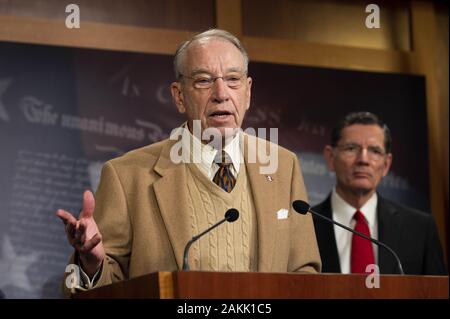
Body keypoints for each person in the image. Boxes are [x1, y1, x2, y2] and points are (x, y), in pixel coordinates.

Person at [57, 29, 321, 294]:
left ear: (248, 92)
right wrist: (92, 264)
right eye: (204, 81)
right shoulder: (127, 176)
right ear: (179, 96)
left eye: (232, 79)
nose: (221, 93)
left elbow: (304, 273)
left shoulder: (283, 166)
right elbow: (105, 288)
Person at [313, 111, 446, 275]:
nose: (363, 159)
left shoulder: (420, 229)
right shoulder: (304, 226)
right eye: (351, 148)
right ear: (331, 157)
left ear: (386, 164)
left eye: (375, 151)